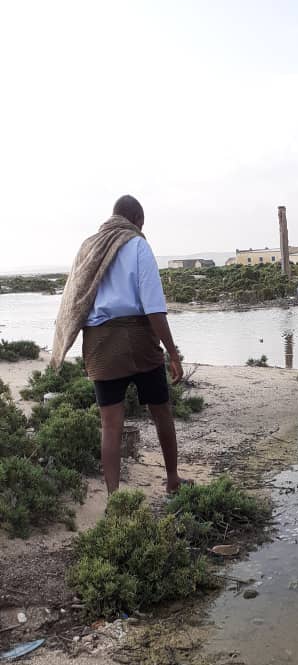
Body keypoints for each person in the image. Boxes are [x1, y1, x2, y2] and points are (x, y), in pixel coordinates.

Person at [51, 195, 185, 495]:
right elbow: (154, 309)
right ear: (137, 220)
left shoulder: (89, 247)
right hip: (137, 338)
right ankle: (173, 480)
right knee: (161, 411)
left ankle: (114, 500)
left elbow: (75, 298)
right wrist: (173, 354)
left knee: (110, 425)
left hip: (99, 343)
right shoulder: (137, 245)